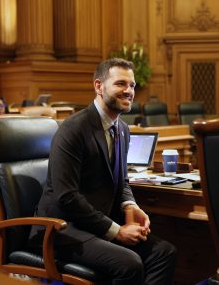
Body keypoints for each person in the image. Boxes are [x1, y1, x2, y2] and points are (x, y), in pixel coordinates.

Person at [30, 58, 177, 284]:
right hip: (60, 228)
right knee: (129, 263)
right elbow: (66, 196)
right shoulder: (73, 129)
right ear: (99, 86)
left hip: (95, 222)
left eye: (132, 85)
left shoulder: (123, 129)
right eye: (120, 84)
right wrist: (116, 231)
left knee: (164, 252)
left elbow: (123, 181)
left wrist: (130, 206)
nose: (128, 91)